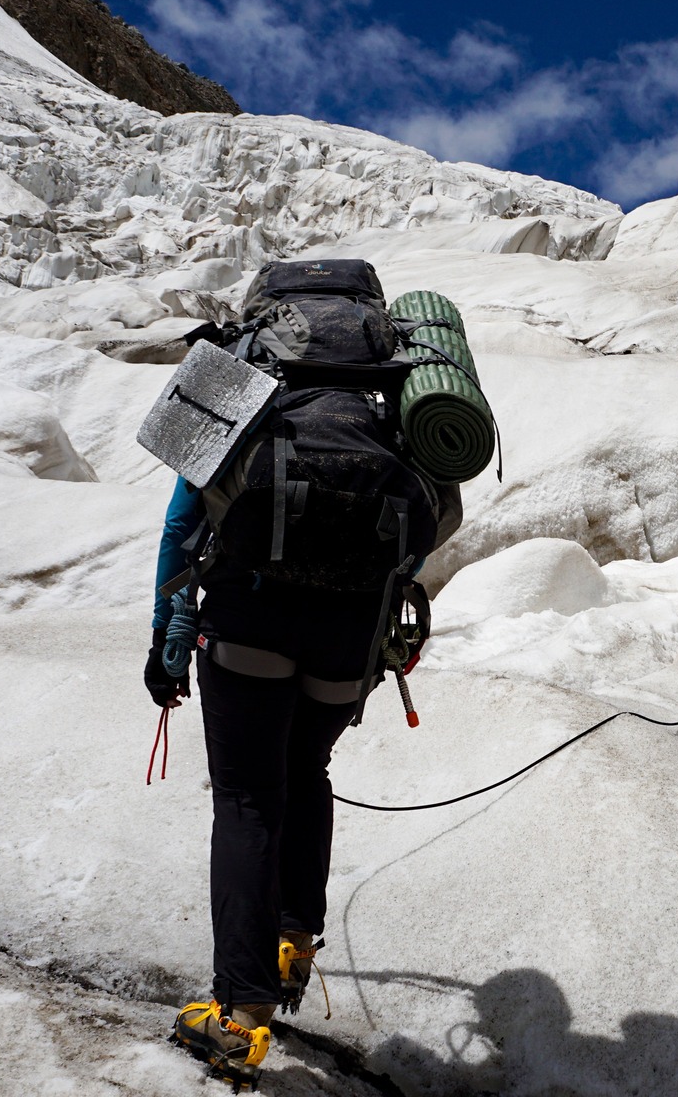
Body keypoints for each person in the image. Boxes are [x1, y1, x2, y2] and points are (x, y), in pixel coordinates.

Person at [144, 260, 458, 1090]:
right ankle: (292, 941)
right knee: (305, 769)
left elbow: (184, 529)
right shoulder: (401, 380)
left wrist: (167, 644)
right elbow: (436, 518)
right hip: (347, 637)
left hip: (247, 617)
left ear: (270, 309)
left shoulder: (239, 367)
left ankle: (239, 1017)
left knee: (247, 799)